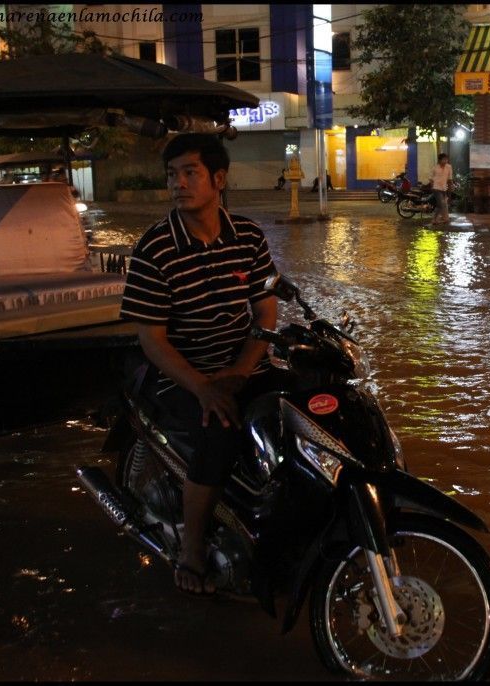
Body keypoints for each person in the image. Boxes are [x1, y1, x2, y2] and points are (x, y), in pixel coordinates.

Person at [120, 133, 285, 597]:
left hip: (241, 365)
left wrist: (241, 369)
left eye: (190, 172)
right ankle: (192, 548)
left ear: (219, 178)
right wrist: (207, 387)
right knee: (221, 433)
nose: (179, 183)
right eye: (172, 175)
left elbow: (265, 312)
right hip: (183, 375)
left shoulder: (248, 235)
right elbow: (152, 339)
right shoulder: (154, 248)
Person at [430, 152, 453, 225]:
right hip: (436, 188)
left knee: (444, 204)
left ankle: (444, 218)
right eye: (444, 159)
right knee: (441, 204)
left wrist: (450, 187)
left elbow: (450, 179)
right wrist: (432, 187)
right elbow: (431, 179)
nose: (445, 161)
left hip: (444, 188)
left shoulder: (449, 167)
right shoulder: (435, 168)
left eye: (446, 159)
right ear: (440, 160)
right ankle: (435, 219)